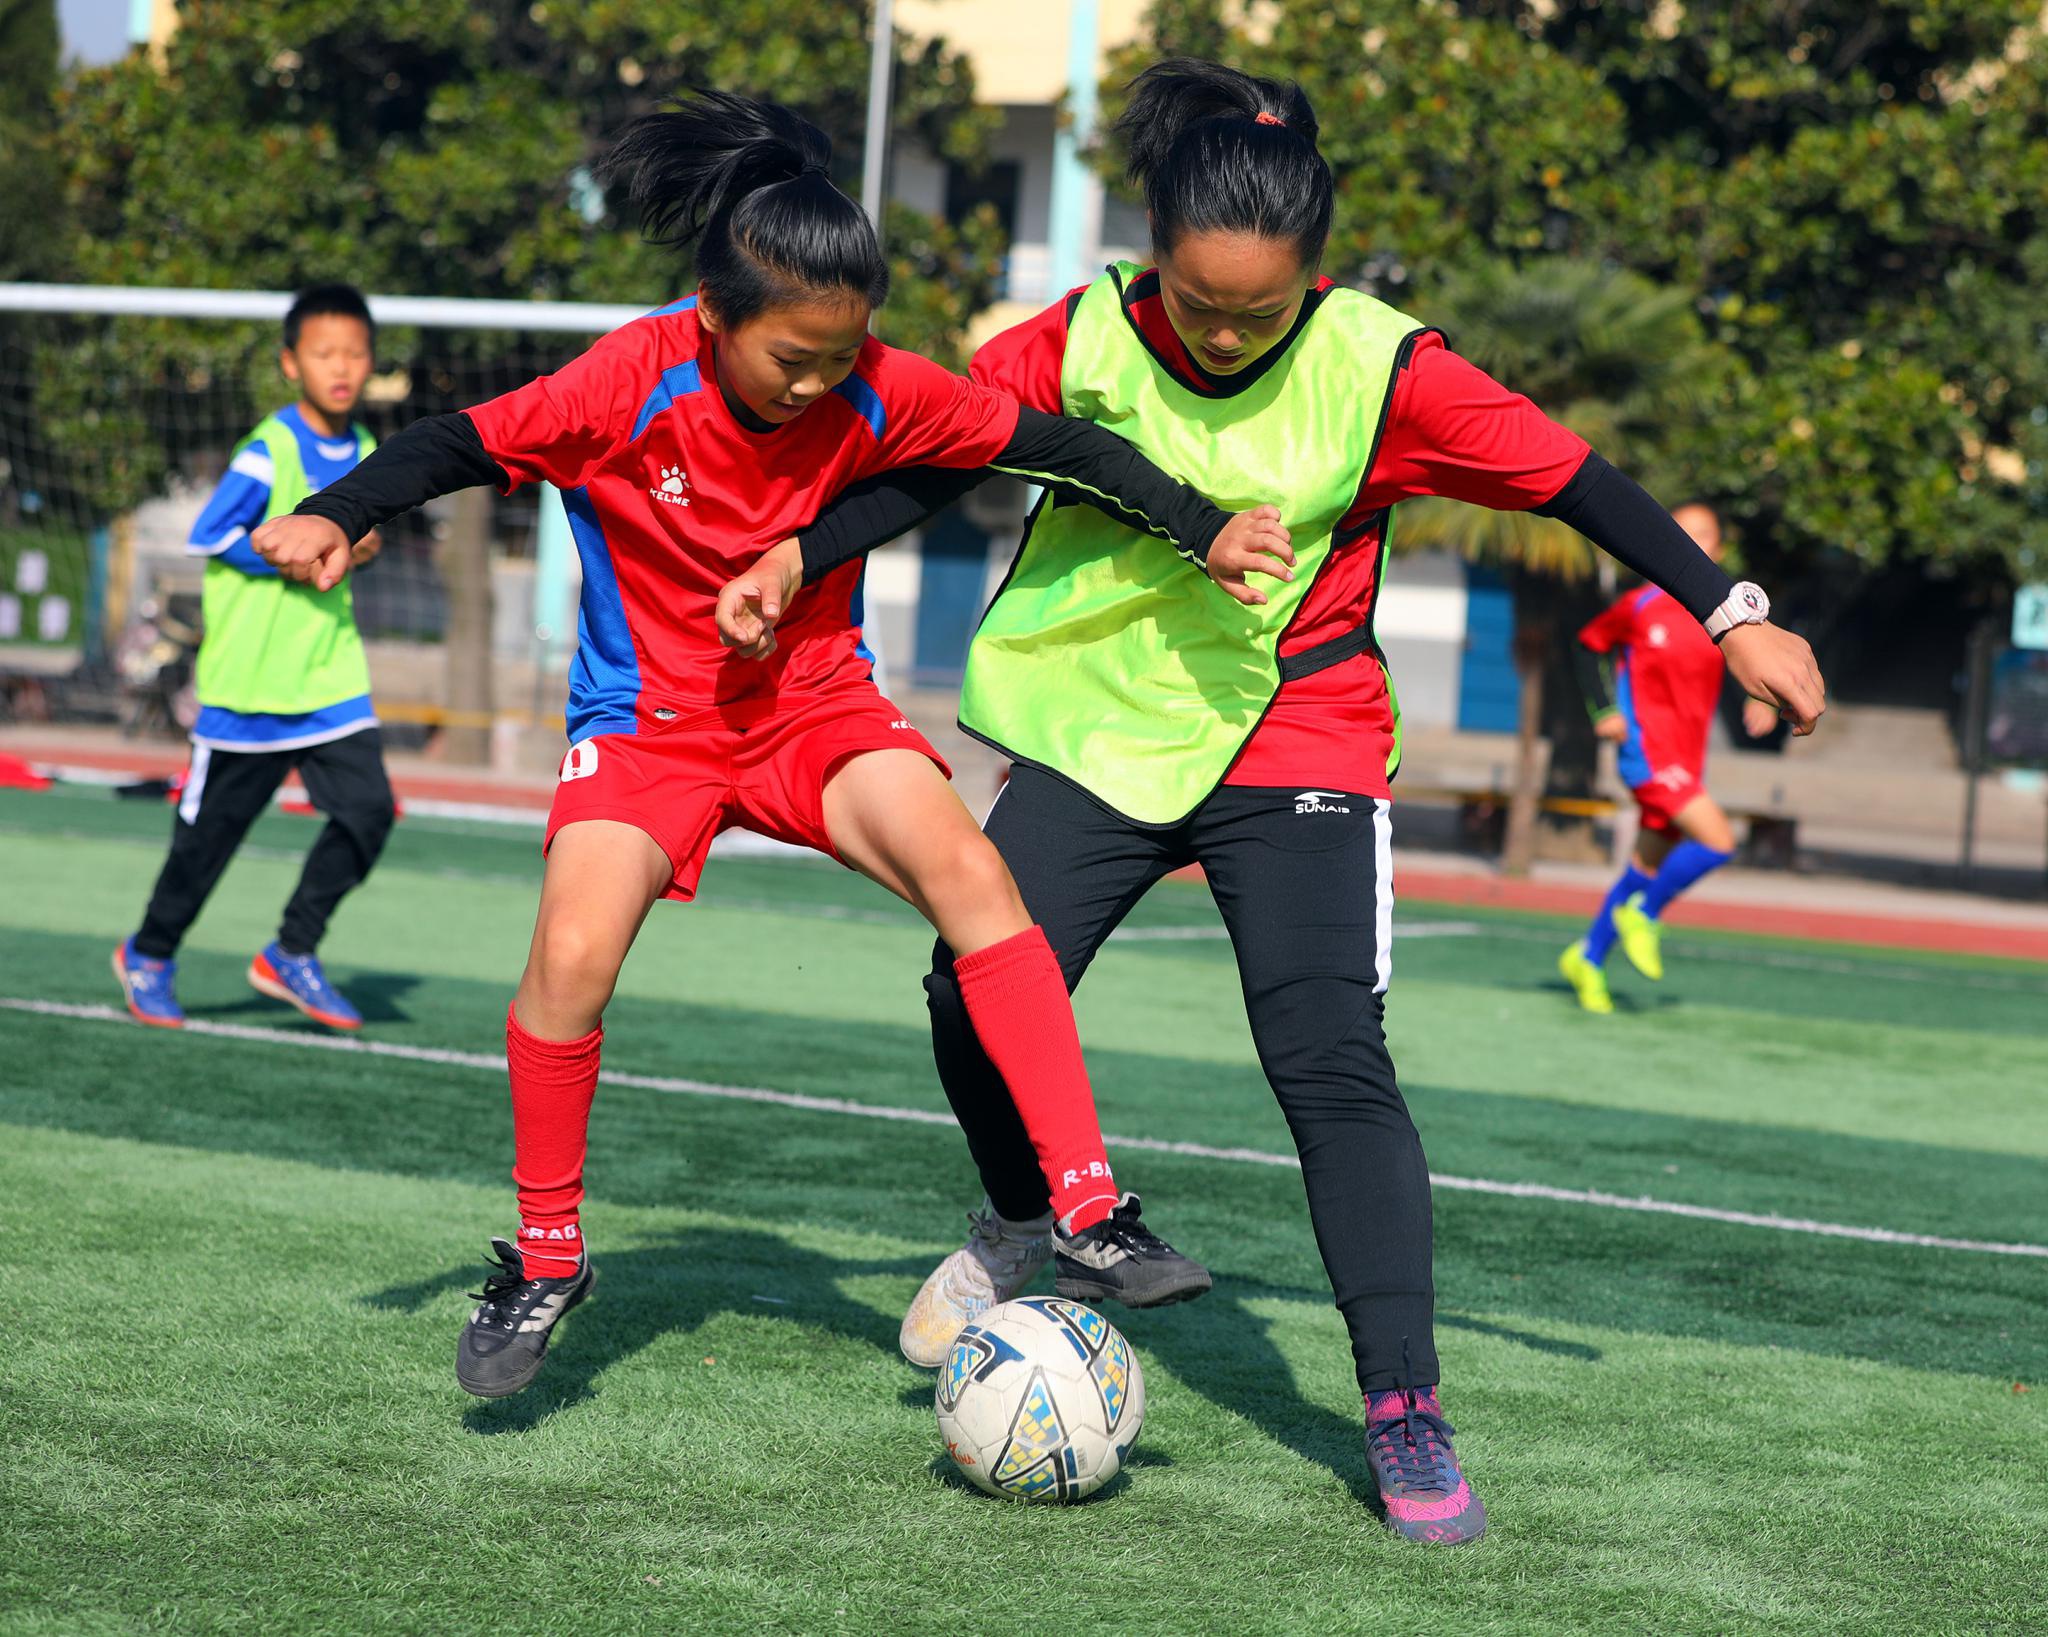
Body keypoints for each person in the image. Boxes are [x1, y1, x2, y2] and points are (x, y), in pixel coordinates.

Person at [721, 61, 1824, 1544]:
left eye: (1259, 307)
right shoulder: (1075, 337)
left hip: (1293, 730)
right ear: (1152, 251)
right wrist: (804, 554)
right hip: (1103, 724)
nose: (1223, 331)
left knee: (1325, 1053)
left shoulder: (1386, 367)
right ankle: (1019, 1223)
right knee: (973, 983)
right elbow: (933, 464)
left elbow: (1579, 481)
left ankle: (1404, 1406)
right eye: (1195, 300)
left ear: (1314, 274)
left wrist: (1731, 608)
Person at [251, 91, 1292, 1401]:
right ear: (713, 317)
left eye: (843, 356)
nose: (820, 383)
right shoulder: (632, 377)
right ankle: (550, 1256)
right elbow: (463, 441)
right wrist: (337, 512)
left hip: (812, 705)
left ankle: (1086, 1208)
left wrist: (1203, 525)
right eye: (792, 358)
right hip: (648, 728)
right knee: (569, 956)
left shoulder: (871, 386)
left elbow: (1059, 446)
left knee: (975, 879)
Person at [113, 283, 395, 1034]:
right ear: (290, 363)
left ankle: (291, 950)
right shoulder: (270, 451)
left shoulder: (366, 451)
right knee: (208, 841)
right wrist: (289, 552)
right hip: (249, 684)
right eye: (324, 353)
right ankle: (148, 952)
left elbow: (359, 542)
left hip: (330, 676)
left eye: (355, 353)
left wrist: (357, 544)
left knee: (369, 812)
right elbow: (209, 533)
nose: (341, 367)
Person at [1559, 503, 1781, 1012]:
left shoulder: (1726, 620)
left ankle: (1588, 958)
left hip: (1687, 757)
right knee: (1719, 840)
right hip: (1647, 752)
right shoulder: (1640, 606)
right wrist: (1604, 710)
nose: (1695, 543)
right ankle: (1647, 914)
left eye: (1705, 535)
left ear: (1720, 551)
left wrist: (1762, 699)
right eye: (1684, 534)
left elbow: (1760, 665)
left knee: (1643, 866)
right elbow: (1588, 645)